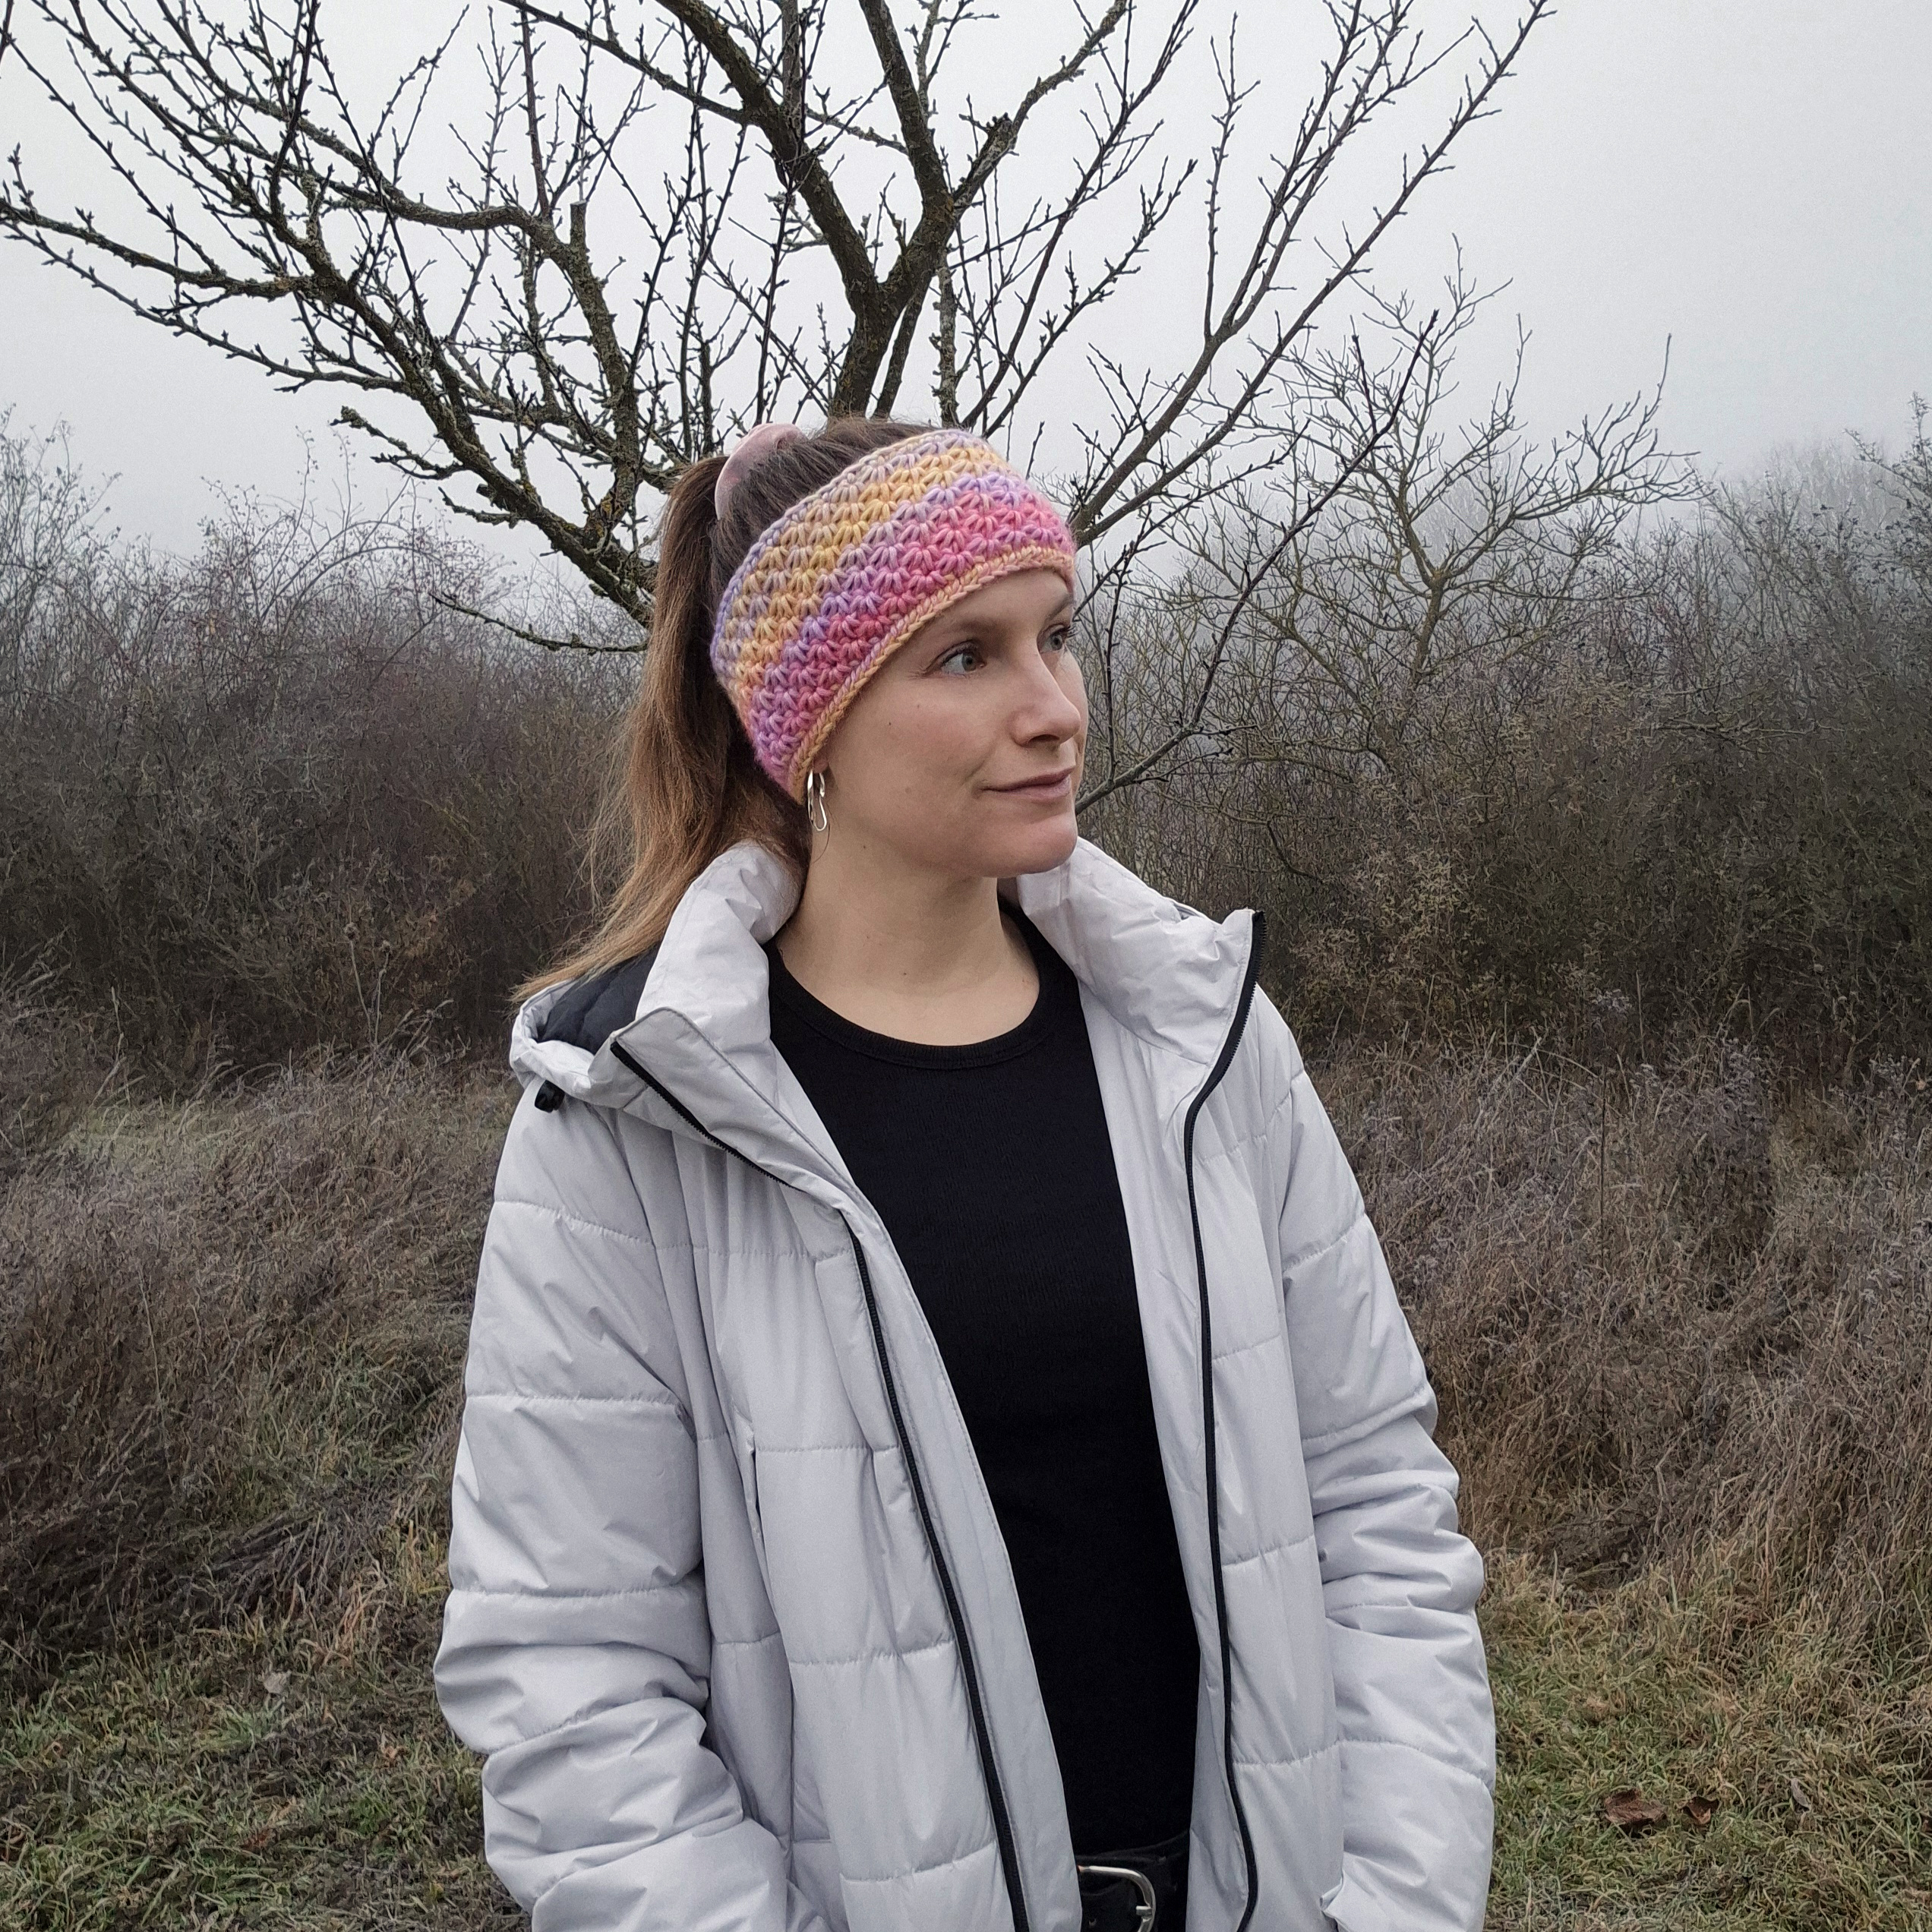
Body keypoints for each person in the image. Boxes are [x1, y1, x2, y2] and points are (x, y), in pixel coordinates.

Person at [432, 418, 1495, 1932]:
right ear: (809, 722)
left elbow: (1375, 1510)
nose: (1054, 707)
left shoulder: (1204, 1046)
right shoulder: (633, 1120)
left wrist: (1390, 1903)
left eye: (1056, 635)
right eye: (965, 657)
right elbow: (572, 1678)